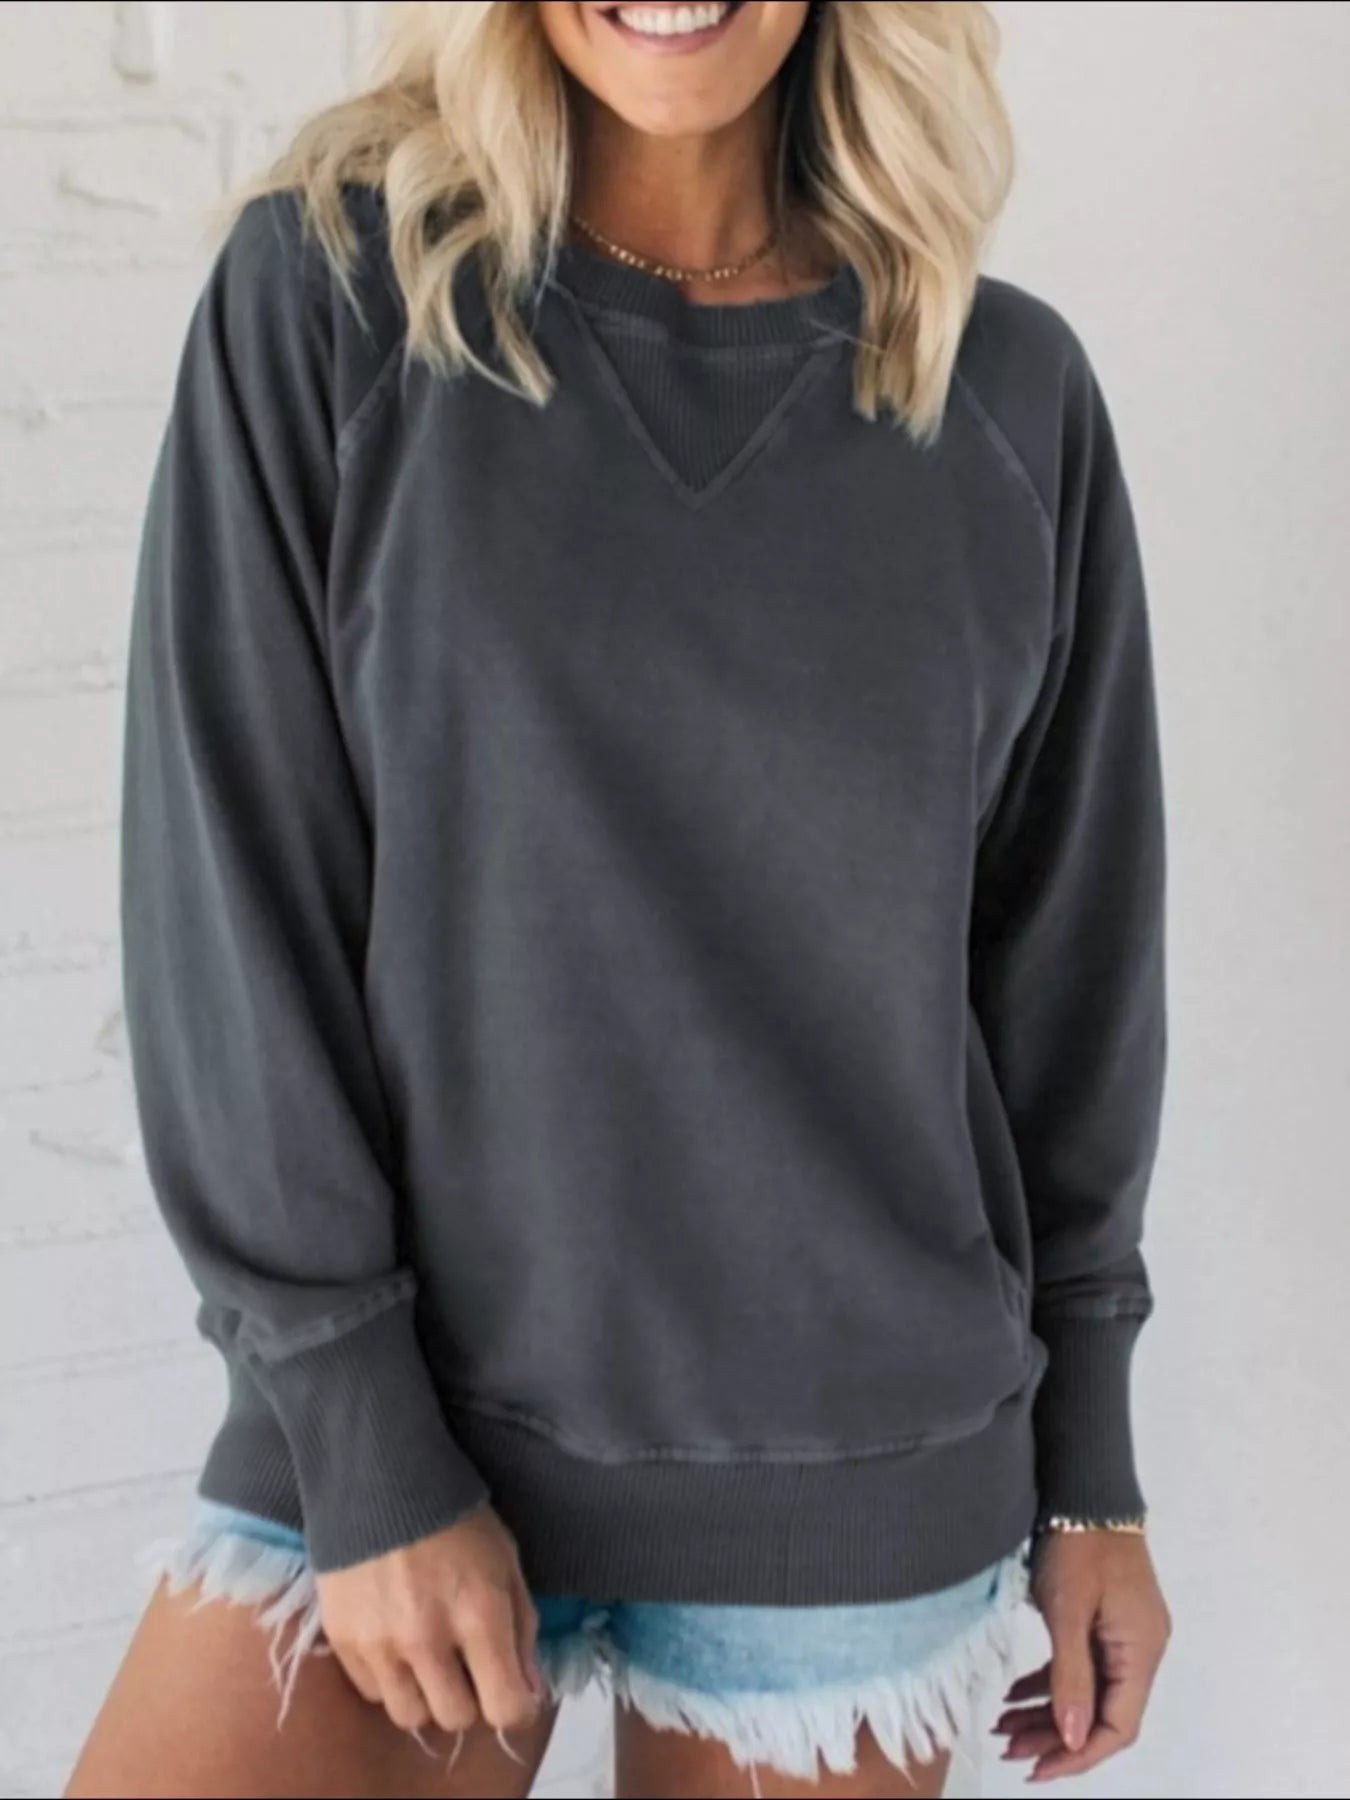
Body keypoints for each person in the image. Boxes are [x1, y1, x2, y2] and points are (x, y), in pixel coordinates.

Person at [67, 4, 1172, 1796]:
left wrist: (1091, 1477)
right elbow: (231, 888)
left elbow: (1069, 974)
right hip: (402, 1426)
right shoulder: (339, 302)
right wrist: (356, 1433)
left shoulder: (1001, 388)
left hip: (855, 1465)